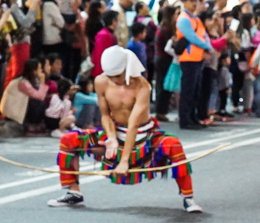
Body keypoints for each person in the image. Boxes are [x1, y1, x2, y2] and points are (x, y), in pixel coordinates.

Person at [47, 46, 201, 212]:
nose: (114, 79)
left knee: (173, 144)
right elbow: (105, 115)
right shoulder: (101, 81)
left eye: (118, 76)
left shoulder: (142, 86)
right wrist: (111, 138)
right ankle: (73, 192)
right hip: (115, 130)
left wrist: (124, 161)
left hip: (144, 134)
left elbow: (134, 124)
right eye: (110, 76)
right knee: (68, 139)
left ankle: (188, 198)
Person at [176, 0, 213, 129]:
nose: (194, 3)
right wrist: (207, 46)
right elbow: (192, 37)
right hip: (188, 58)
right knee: (188, 91)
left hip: (198, 58)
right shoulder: (184, 19)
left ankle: (192, 117)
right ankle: (185, 120)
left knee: (195, 91)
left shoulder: (195, 18)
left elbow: (204, 34)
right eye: (191, 1)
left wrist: (207, 46)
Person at [154, 5, 177, 122]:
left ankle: (161, 110)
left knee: (162, 85)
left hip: (161, 58)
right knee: (164, 86)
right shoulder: (166, 29)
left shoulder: (163, 27)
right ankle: (161, 111)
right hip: (164, 59)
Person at [92, 10, 120, 78]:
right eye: (118, 19)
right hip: (103, 72)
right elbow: (100, 55)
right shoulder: (103, 35)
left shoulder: (110, 34)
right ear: (113, 21)